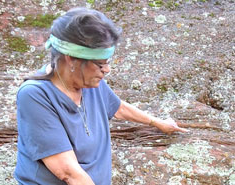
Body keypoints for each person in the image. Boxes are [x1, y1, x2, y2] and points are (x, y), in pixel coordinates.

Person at [14, 7, 189, 185]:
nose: (107, 70)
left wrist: (157, 122)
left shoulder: (89, 82)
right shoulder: (35, 96)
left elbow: (118, 107)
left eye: (107, 62)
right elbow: (68, 172)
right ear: (71, 59)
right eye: (99, 64)